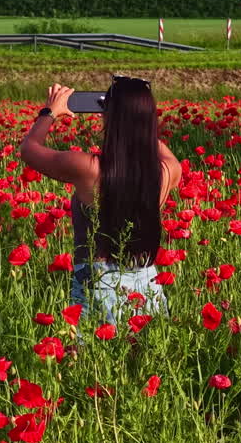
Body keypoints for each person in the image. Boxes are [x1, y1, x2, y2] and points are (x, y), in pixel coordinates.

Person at [19, 78, 182, 328]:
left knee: (92, 362)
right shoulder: (168, 171)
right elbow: (156, 149)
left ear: (110, 117)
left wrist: (50, 111)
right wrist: (138, 124)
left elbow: (29, 149)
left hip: (98, 288)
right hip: (148, 287)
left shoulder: (89, 169)